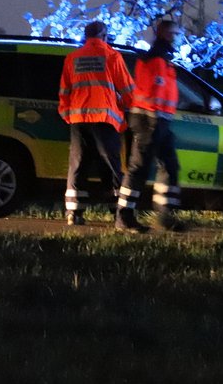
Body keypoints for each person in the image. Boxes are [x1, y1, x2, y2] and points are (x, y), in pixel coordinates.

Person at [58, 20, 135, 226]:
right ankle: (119, 213)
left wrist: (67, 114)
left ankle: (73, 213)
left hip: (78, 120)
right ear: (104, 35)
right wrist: (124, 107)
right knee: (111, 166)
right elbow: (128, 91)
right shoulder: (111, 56)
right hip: (105, 120)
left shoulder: (73, 58)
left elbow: (65, 91)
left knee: (78, 165)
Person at [116, 19, 186, 232]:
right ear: (165, 34)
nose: (178, 36)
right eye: (175, 33)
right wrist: (155, 121)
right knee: (139, 168)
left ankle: (166, 216)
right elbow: (151, 93)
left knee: (170, 166)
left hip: (160, 121)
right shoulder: (155, 58)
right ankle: (124, 218)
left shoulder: (164, 59)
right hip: (150, 120)